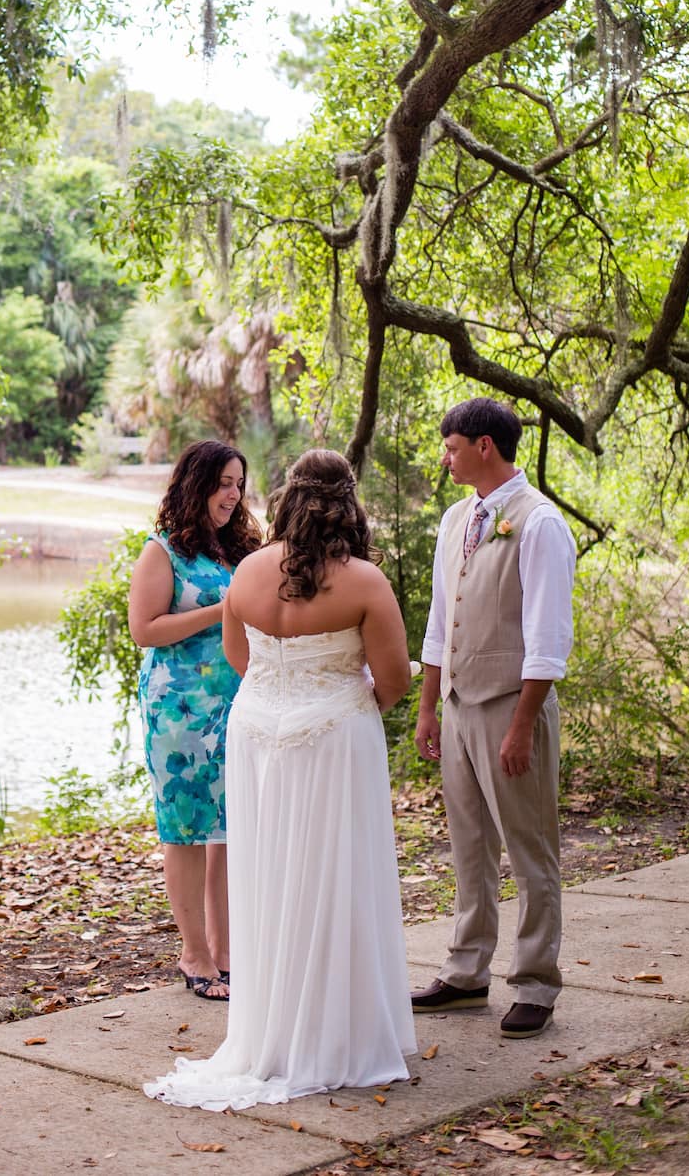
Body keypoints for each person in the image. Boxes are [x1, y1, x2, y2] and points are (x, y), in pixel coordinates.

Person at [145, 449, 415, 1110]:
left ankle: (271, 1032)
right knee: (333, 877)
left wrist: (290, 702)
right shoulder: (365, 583)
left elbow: (243, 661)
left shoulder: (248, 573)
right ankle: (336, 1037)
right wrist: (339, 709)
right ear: (348, 502)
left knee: (270, 878)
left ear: (289, 497)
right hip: (333, 743)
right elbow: (395, 681)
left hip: (257, 734)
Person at [412, 397, 576, 1041]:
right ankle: (466, 971)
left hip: (513, 706)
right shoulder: (457, 519)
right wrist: (429, 706)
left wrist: (521, 725)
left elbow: (547, 638)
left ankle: (536, 981)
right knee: (469, 847)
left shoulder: (539, 524)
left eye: (451, 447)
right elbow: (437, 623)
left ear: (485, 446)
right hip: (458, 705)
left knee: (531, 849)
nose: (445, 457)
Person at [129, 439, 263, 1001]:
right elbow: (146, 629)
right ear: (196, 483)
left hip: (238, 705)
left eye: (238, 484)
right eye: (223, 483)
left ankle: (226, 950)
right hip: (178, 711)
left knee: (229, 831)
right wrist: (222, 609)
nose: (232, 495)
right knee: (185, 832)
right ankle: (194, 954)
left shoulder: (240, 551)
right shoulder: (162, 552)